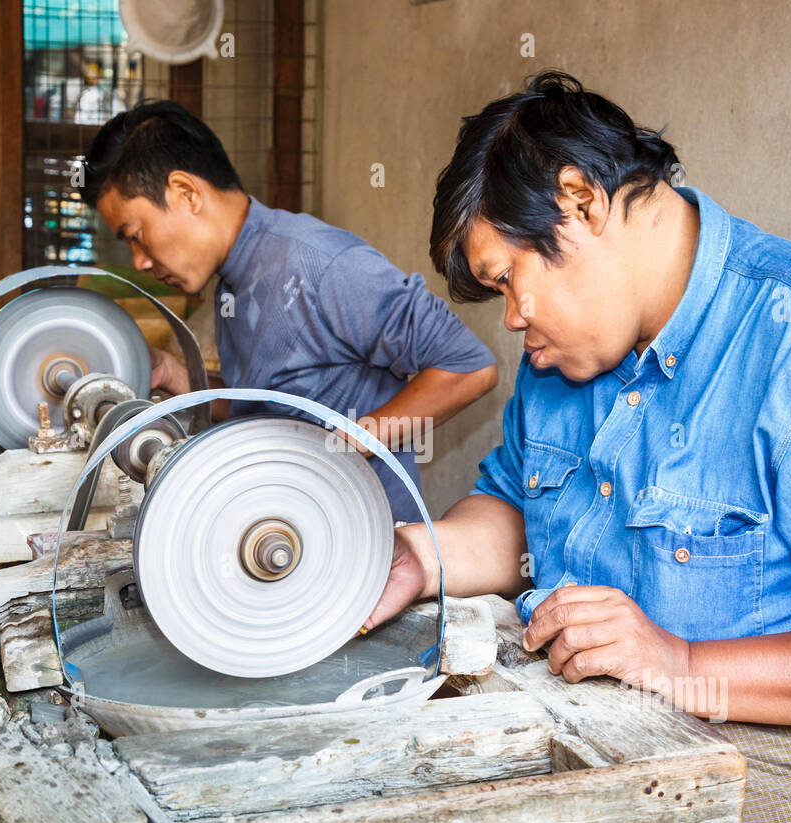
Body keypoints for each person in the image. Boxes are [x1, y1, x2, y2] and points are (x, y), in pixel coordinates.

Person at [365, 70, 791, 823]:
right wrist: (413, 557)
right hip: (641, 754)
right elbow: (512, 512)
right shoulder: (564, 367)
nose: (513, 320)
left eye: (509, 280)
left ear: (581, 202)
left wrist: (678, 664)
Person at [82, 101, 499, 523]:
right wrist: (173, 374)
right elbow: (265, 406)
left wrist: (343, 445)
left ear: (186, 192)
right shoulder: (233, 278)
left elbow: (468, 366)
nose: (138, 260)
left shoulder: (321, 264)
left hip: (363, 542)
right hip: (286, 533)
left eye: (136, 236)